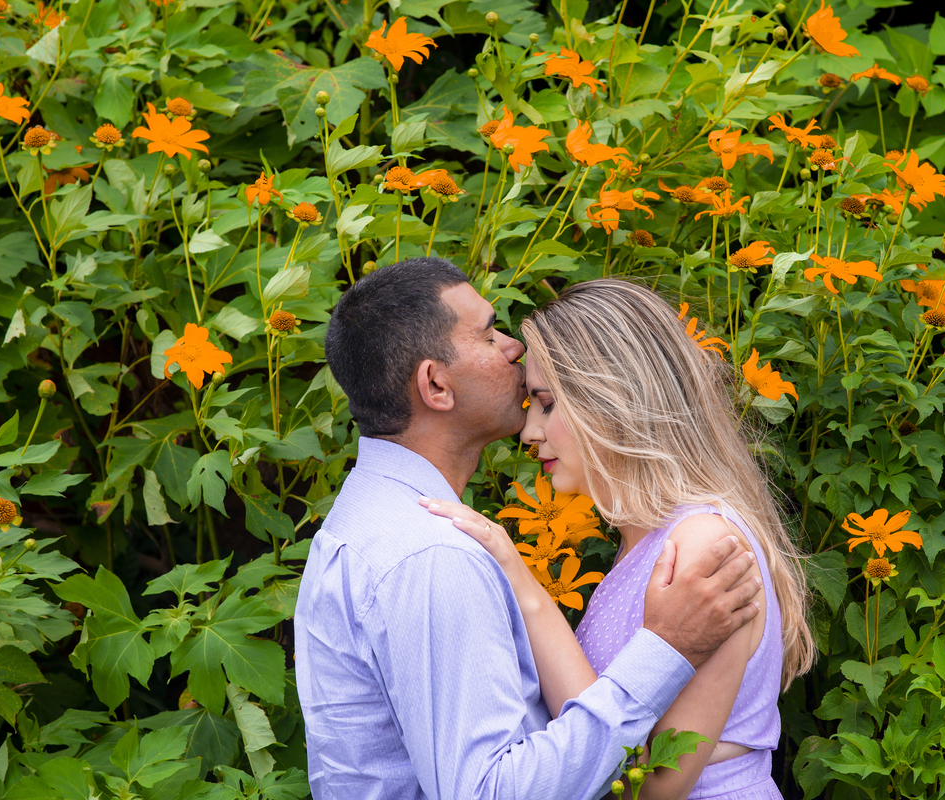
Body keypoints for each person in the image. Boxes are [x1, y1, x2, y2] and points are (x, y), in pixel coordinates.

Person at [294, 258, 765, 800]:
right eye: (488, 333)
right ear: (436, 384)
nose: (512, 345)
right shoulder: (429, 554)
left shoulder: (373, 520)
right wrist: (665, 650)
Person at [422, 279, 815, 800]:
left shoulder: (702, 545)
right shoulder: (649, 540)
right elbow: (603, 728)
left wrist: (522, 583)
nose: (528, 432)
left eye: (546, 403)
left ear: (613, 398)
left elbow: (649, 784)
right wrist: (517, 575)